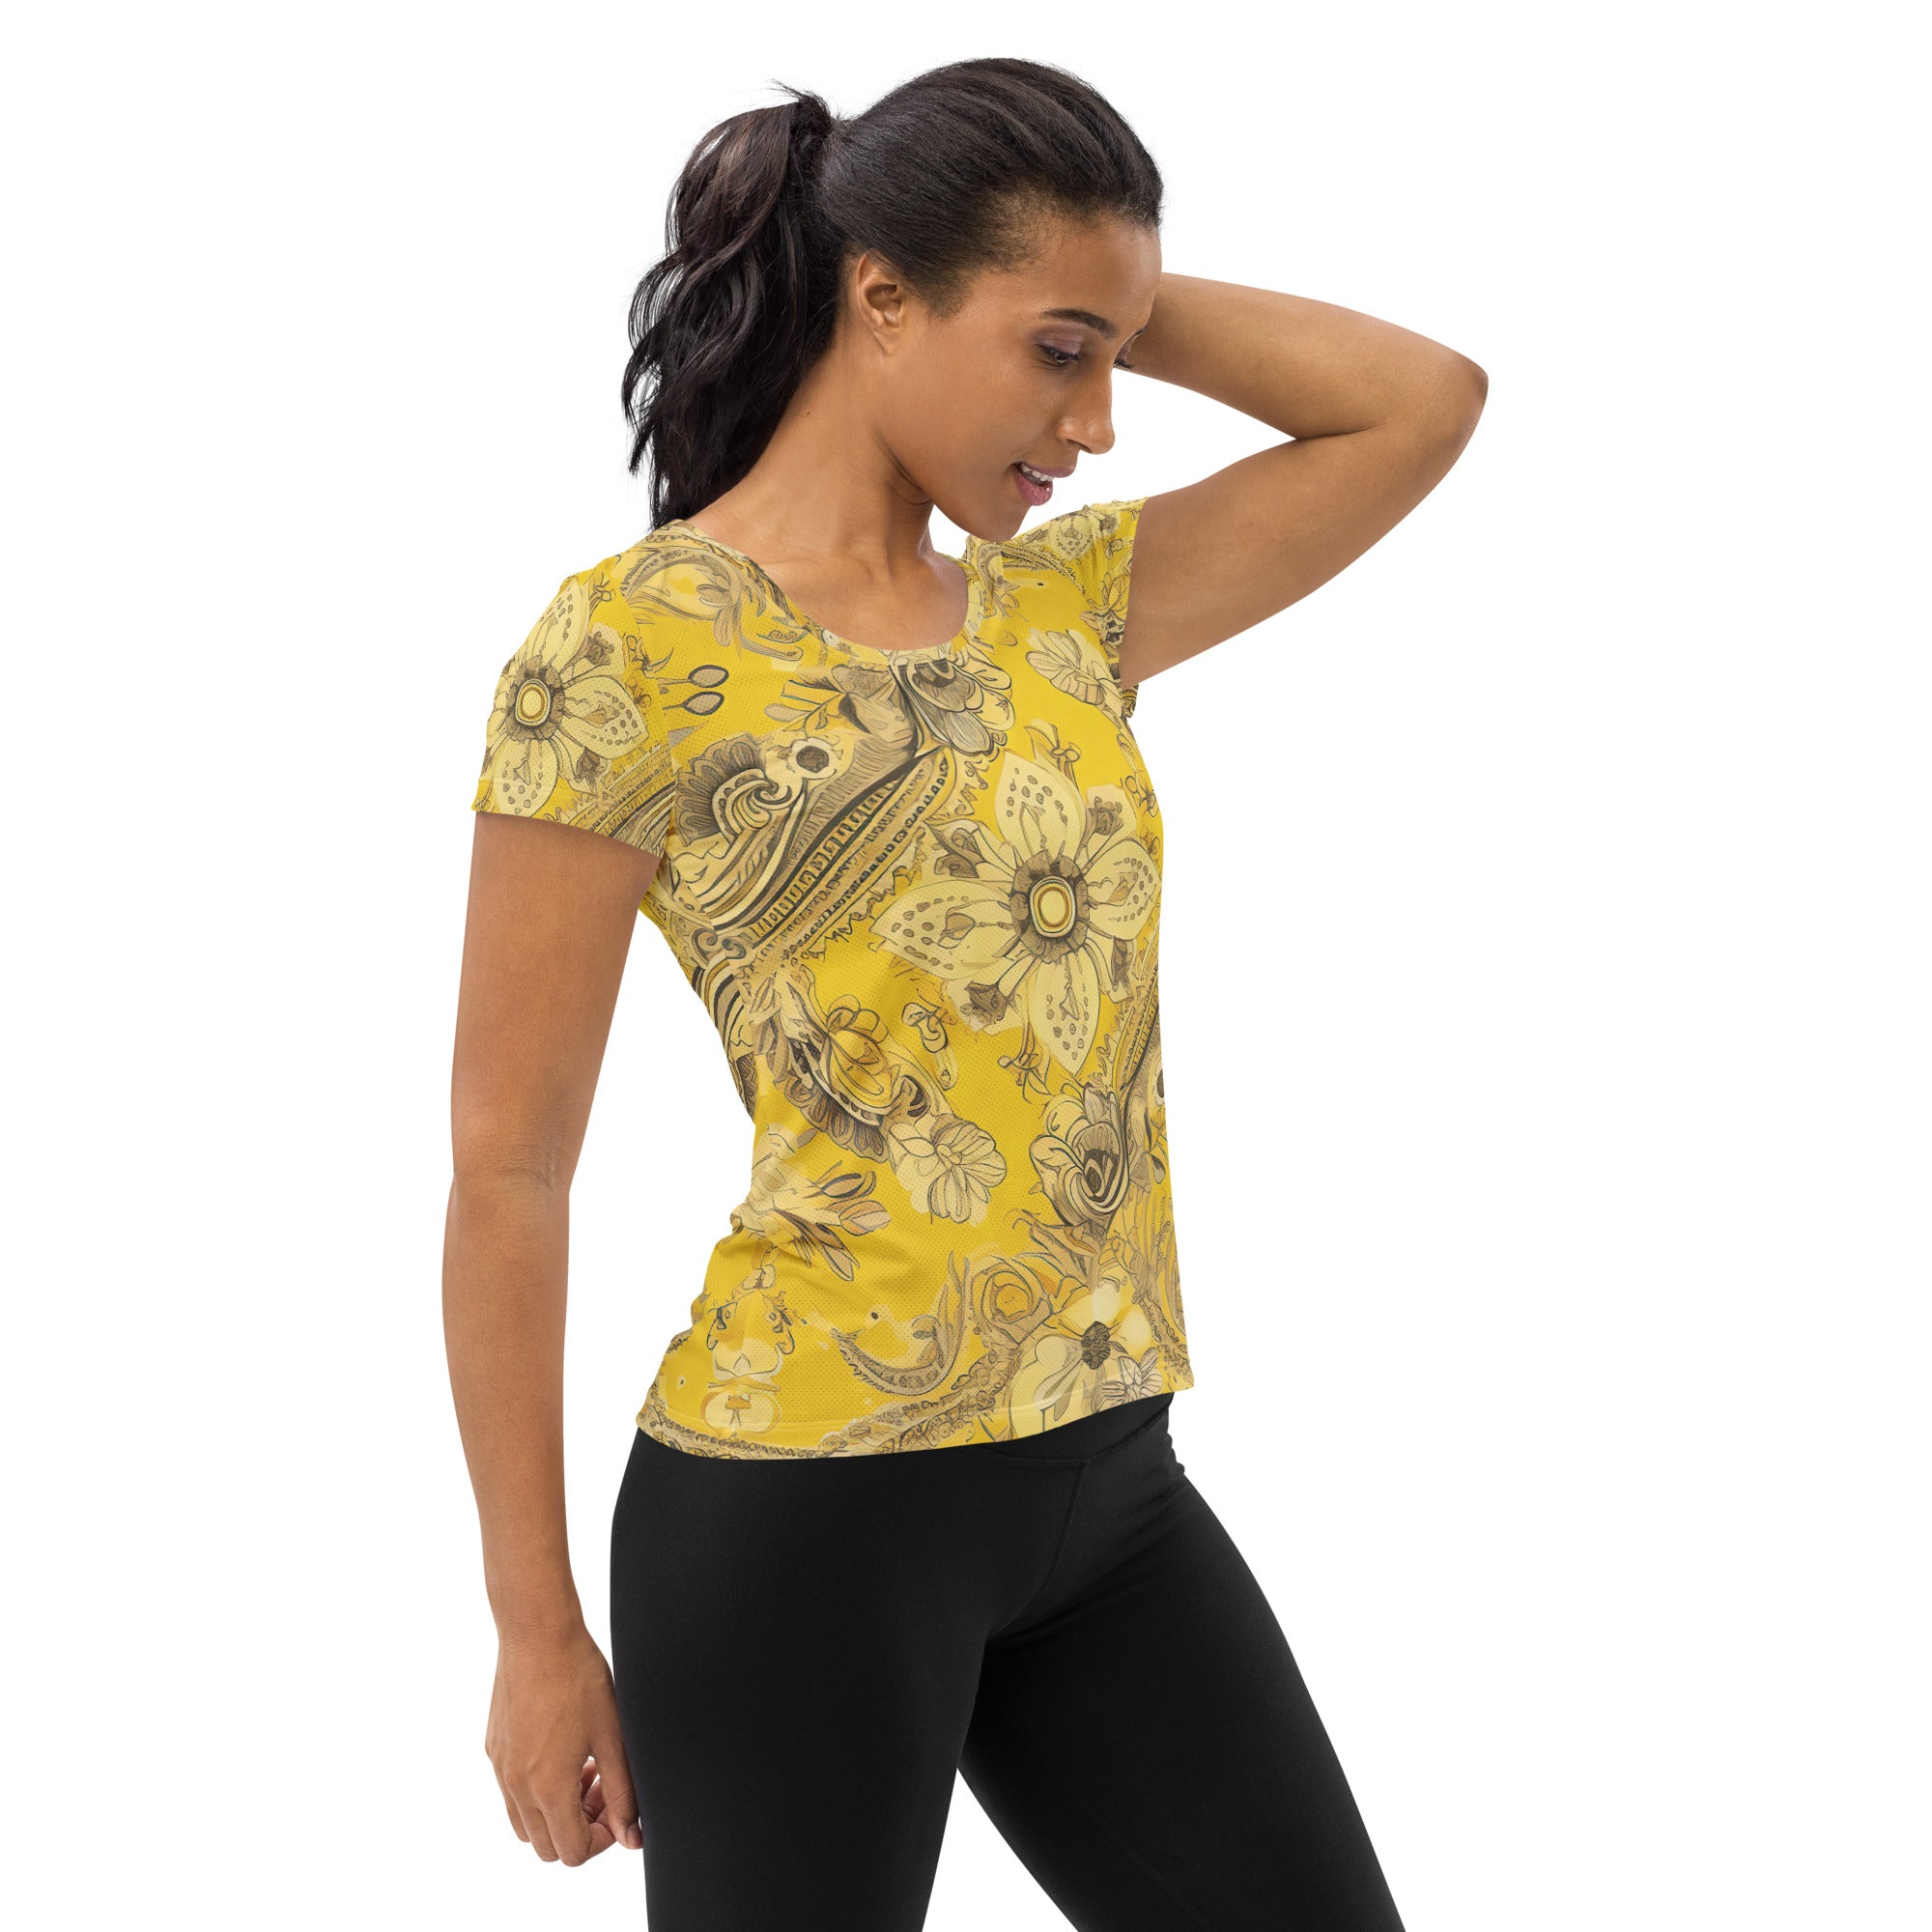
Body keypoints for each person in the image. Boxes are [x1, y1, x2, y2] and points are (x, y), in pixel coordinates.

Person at [444, 53, 1484, 1930]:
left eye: (1116, 358)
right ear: (881, 298)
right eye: (1058, 355)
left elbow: (1420, 402)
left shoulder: (1061, 612)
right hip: (802, 1514)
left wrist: (1107, 299)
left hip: (1108, 1486)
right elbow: (507, 1164)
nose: (1097, 423)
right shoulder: (625, 649)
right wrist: (535, 1627)